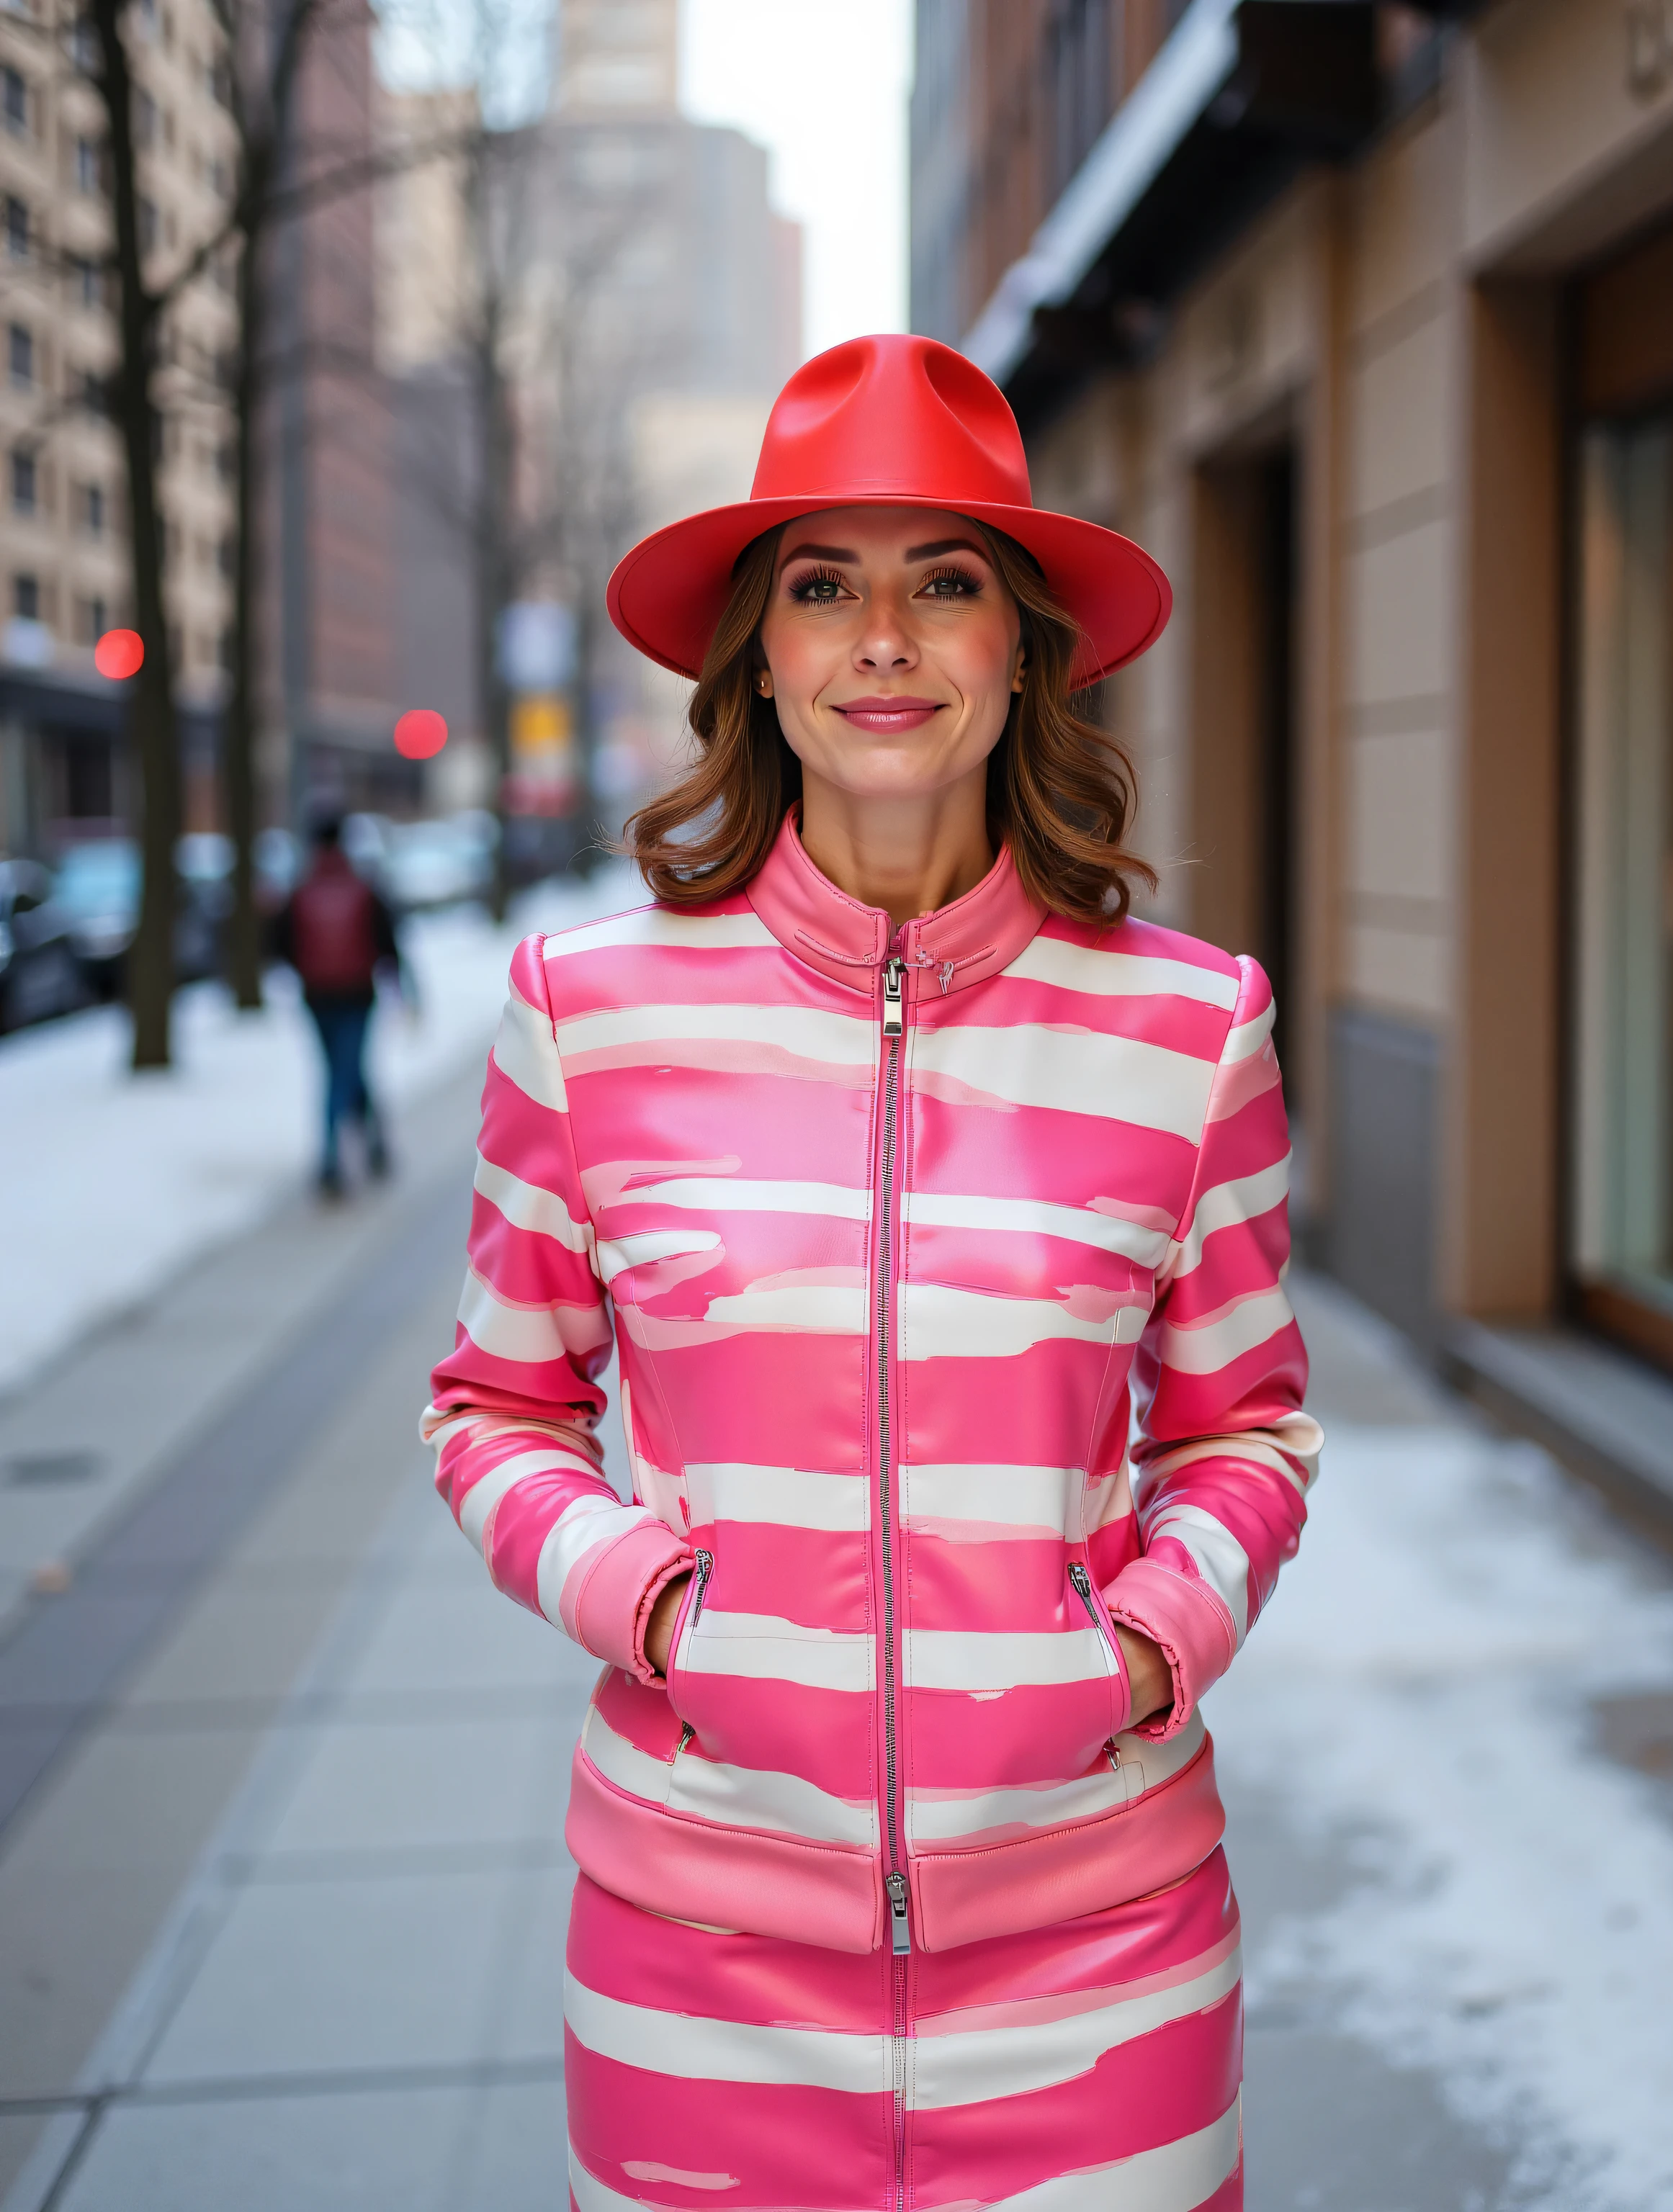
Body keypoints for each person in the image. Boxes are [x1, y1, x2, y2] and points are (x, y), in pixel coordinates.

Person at [423, 334, 1317, 2210]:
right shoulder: (586, 1016)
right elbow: (498, 1408)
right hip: (697, 1957)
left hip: (1103, 1945)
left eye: (947, 583)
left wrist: (1152, 1640)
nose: (884, 637)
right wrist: (657, 1607)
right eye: (825, 585)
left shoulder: (1189, 1024)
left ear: (1024, 646)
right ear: (761, 651)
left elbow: (1248, 1431)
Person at [273, 813, 398, 1197]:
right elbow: (387, 941)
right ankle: (341, 1154)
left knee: (338, 1072)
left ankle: (353, 1149)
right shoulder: (363, 887)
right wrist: (402, 985)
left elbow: (280, 945)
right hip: (358, 995)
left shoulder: (299, 890)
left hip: (317, 997)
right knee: (347, 1071)